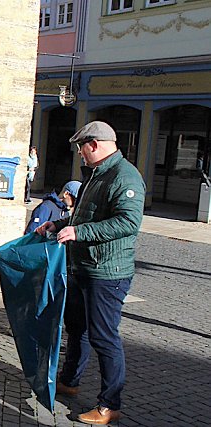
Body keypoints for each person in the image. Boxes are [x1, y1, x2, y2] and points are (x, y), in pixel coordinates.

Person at [35, 121, 144, 425]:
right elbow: (85, 215)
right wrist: (59, 224)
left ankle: (109, 405)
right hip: (83, 267)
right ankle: (70, 380)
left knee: (104, 337)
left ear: (94, 145)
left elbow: (127, 223)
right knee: (77, 328)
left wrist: (79, 232)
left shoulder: (124, 177)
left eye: (81, 147)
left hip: (107, 272)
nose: (80, 154)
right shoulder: (98, 174)